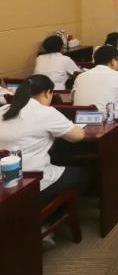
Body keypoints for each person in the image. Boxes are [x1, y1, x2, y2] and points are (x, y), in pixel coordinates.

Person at [0, 75, 87, 206]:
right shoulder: (45, 112)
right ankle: (55, 213)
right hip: (32, 184)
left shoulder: (3, 110)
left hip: (4, 184)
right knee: (82, 174)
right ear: (47, 93)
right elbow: (78, 136)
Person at [73, 46, 118, 118]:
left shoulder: (80, 76)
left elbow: (73, 98)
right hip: (105, 123)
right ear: (113, 61)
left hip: (78, 122)